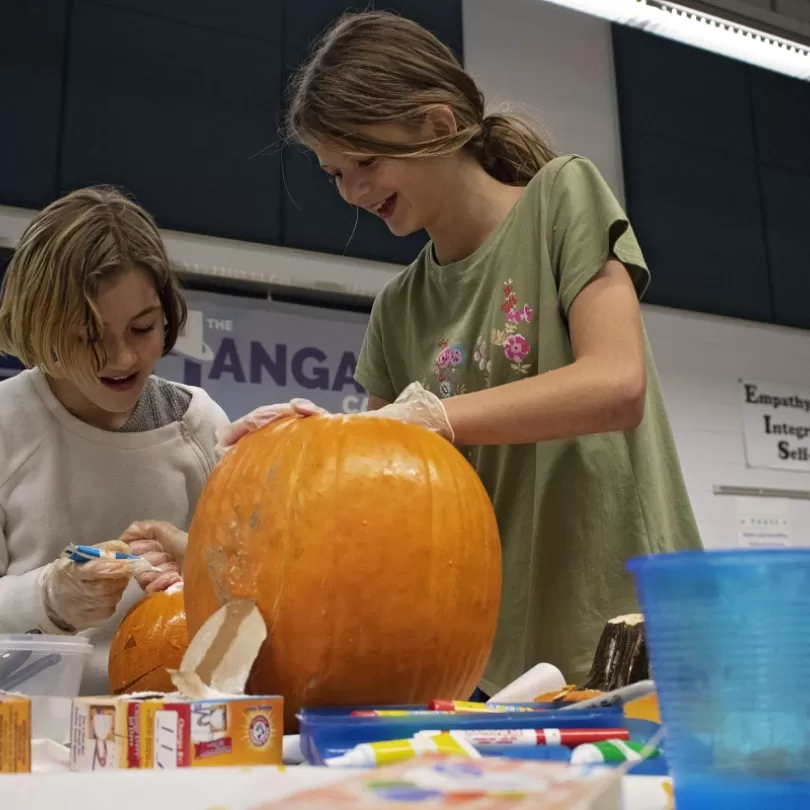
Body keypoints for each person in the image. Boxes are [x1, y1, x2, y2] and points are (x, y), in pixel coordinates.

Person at [218, 11, 704, 697]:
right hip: (492, 664)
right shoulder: (397, 310)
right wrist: (311, 449)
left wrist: (436, 418)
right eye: (334, 174)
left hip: (634, 629)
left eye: (366, 162)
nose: (353, 193)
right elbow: (385, 501)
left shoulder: (562, 199)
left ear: (438, 127)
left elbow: (615, 384)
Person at [0, 187, 229, 694]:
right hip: (24, 736)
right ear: (40, 326)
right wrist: (49, 597)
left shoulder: (198, 426)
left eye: (143, 328)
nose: (122, 358)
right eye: (88, 337)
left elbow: (264, 602)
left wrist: (207, 570)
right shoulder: (5, 425)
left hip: (174, 728)